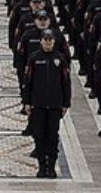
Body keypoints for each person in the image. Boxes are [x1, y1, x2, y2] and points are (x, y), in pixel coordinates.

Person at [23, 29, 72, 178]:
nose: (48, 42)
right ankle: (41, 166)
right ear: (41, 41)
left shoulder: (60, 59)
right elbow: (28, 82)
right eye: (45, 39)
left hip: (55, 105)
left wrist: (66, 103)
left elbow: (66, 82)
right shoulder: (34, 58)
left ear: (54, 41)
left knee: (52, 136)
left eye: (50, 39)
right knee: (39, 135)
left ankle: (51, 166)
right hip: (38, 104)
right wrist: (26, 102)